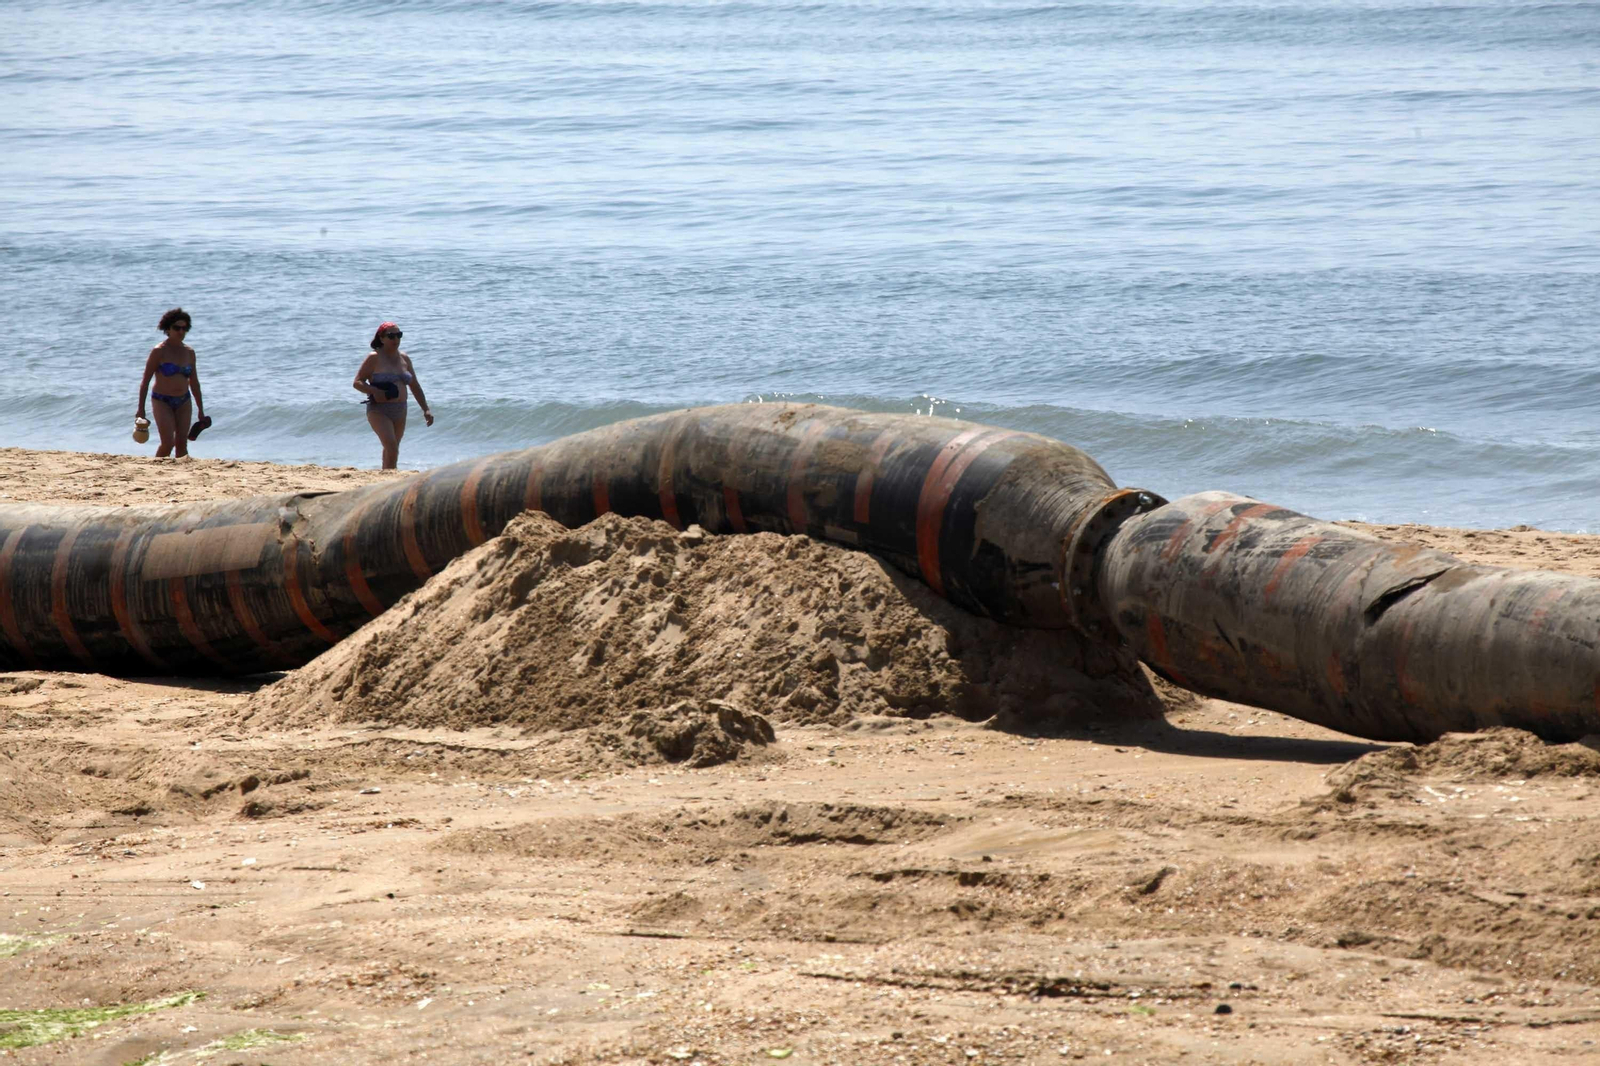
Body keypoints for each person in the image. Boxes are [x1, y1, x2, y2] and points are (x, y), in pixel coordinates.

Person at [353, 321, 433, 469]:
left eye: (399, 335)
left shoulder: (404, 358)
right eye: (391, 336)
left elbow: (414, 385)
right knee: (391, 447)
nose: (396, 339)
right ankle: (390, 478)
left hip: (401, 410)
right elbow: (357, 382)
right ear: (382, 338)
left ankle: (386, 477)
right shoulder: (374, 357)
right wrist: (375, 391)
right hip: (379, 410)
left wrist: (425, 409)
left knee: (392, 449)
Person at [136, 308, 207, 458]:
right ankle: (155, 472)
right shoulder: (159, 351)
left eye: (184, 328)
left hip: (184, 401)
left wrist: (201, 410)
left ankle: (182, 478)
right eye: (177, 328)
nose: (181, 331)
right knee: (168, 443)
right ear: (168, 328)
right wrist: (141, 410)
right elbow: (145, 381)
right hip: (162, 400)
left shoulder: (189, 352)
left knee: (182, 445)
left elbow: (194, 383)